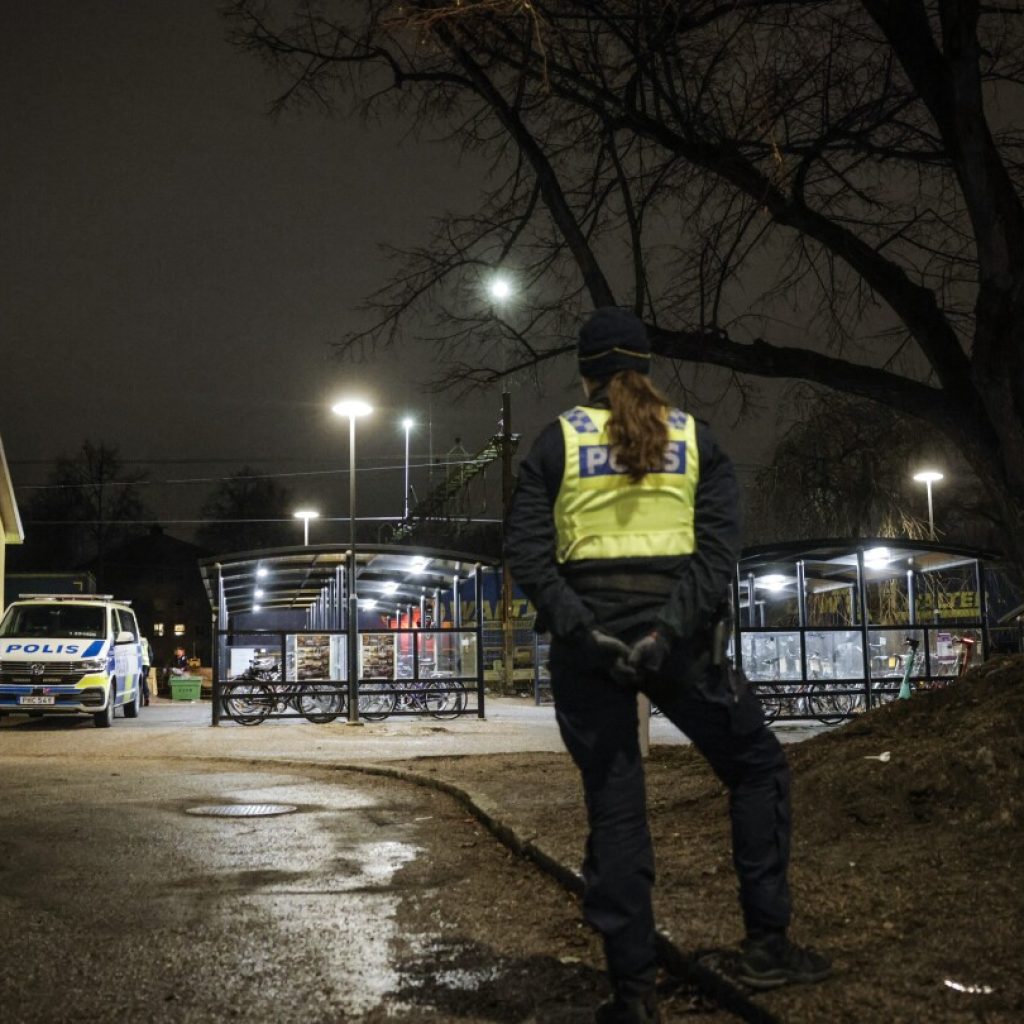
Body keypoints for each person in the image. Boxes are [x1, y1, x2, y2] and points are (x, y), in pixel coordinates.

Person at [505, 307, 830, 1024]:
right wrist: (667, 633)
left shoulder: (557, 441)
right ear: (647, 365)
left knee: (617, 806)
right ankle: (768, 945)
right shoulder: (695, 439)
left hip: (591, 656)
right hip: (681, 648)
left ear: (585, 372)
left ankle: (634, 996)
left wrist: (587, 633)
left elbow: (526, 553)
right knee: (756, 765)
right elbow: (717, 556)